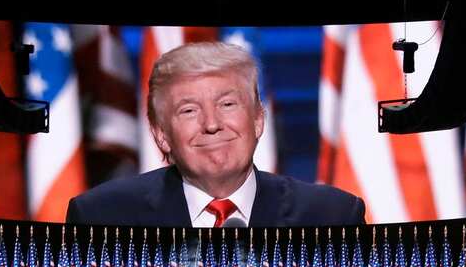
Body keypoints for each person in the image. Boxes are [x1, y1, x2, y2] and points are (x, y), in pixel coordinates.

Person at [66, 42, 365, 227]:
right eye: (189, 110)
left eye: (227, 104)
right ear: (161, 135)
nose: (212, 123)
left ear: (258, 120)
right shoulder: (101, 218)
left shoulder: (331, 215)